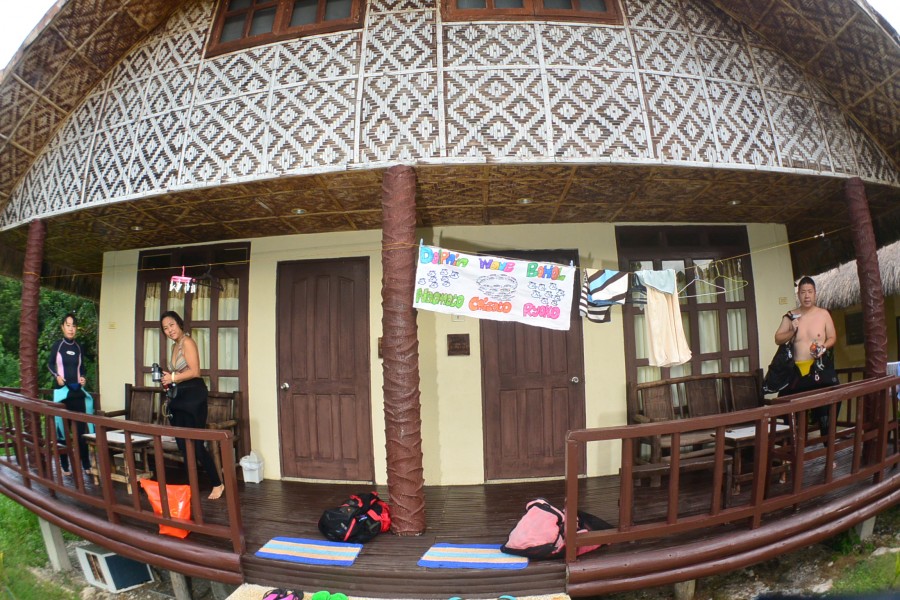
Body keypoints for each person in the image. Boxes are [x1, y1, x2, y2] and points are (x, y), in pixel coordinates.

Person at [159, 311, 224, 500]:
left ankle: (217, 483)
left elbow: (195, 371)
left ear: (179, 323)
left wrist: (172, 377)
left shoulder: (187, 342)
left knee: (195, 443)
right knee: (182, 444)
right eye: (165, 328)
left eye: (171, 325)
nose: (169, 330)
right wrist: (169, 379)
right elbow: (179, 374)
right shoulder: (174, 346)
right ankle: (191, 485)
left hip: (193, 396)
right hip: (179, 396)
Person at [774, 276, 838, 439]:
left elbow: (832, 337)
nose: (807, 296)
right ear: (798, 295)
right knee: (786, 405)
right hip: (797, 371)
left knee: (829, 405)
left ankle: (827, 442)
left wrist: (824, 347)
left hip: (818, 369)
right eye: (803, 292)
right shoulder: (791, 316)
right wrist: (792, 331)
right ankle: (795, 443)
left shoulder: (823, 314)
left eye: (810, 292)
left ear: (815, 293)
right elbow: (778, 338)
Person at [47, 313, 92, 475]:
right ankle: (65, 465)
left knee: (81, 432)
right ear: (62, 327)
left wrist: (83, 377)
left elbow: (82, 368)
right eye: (68, 325)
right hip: (62, 393)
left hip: (77, 393)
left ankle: (86, 465)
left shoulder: (79, 347)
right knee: (62, 430)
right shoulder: (58, 345)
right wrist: (57, 376)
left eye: (73, 326)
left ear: (76, 328)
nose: (71, 329)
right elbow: (50, 364)